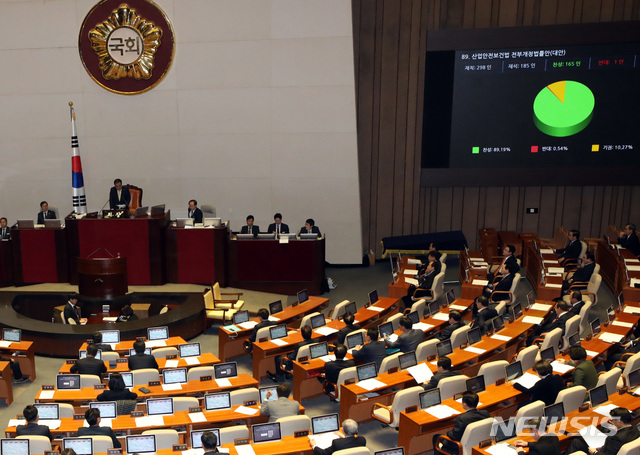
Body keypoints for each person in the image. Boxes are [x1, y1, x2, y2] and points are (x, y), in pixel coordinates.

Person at [566, 407, 640, 455]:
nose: (611, 422)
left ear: (619, 421)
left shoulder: (615, 438)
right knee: (576, 441)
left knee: (575, 443)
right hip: (607, 447)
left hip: (600, 452)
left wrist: (594, 452)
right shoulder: (635, 429)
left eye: (612, 420)